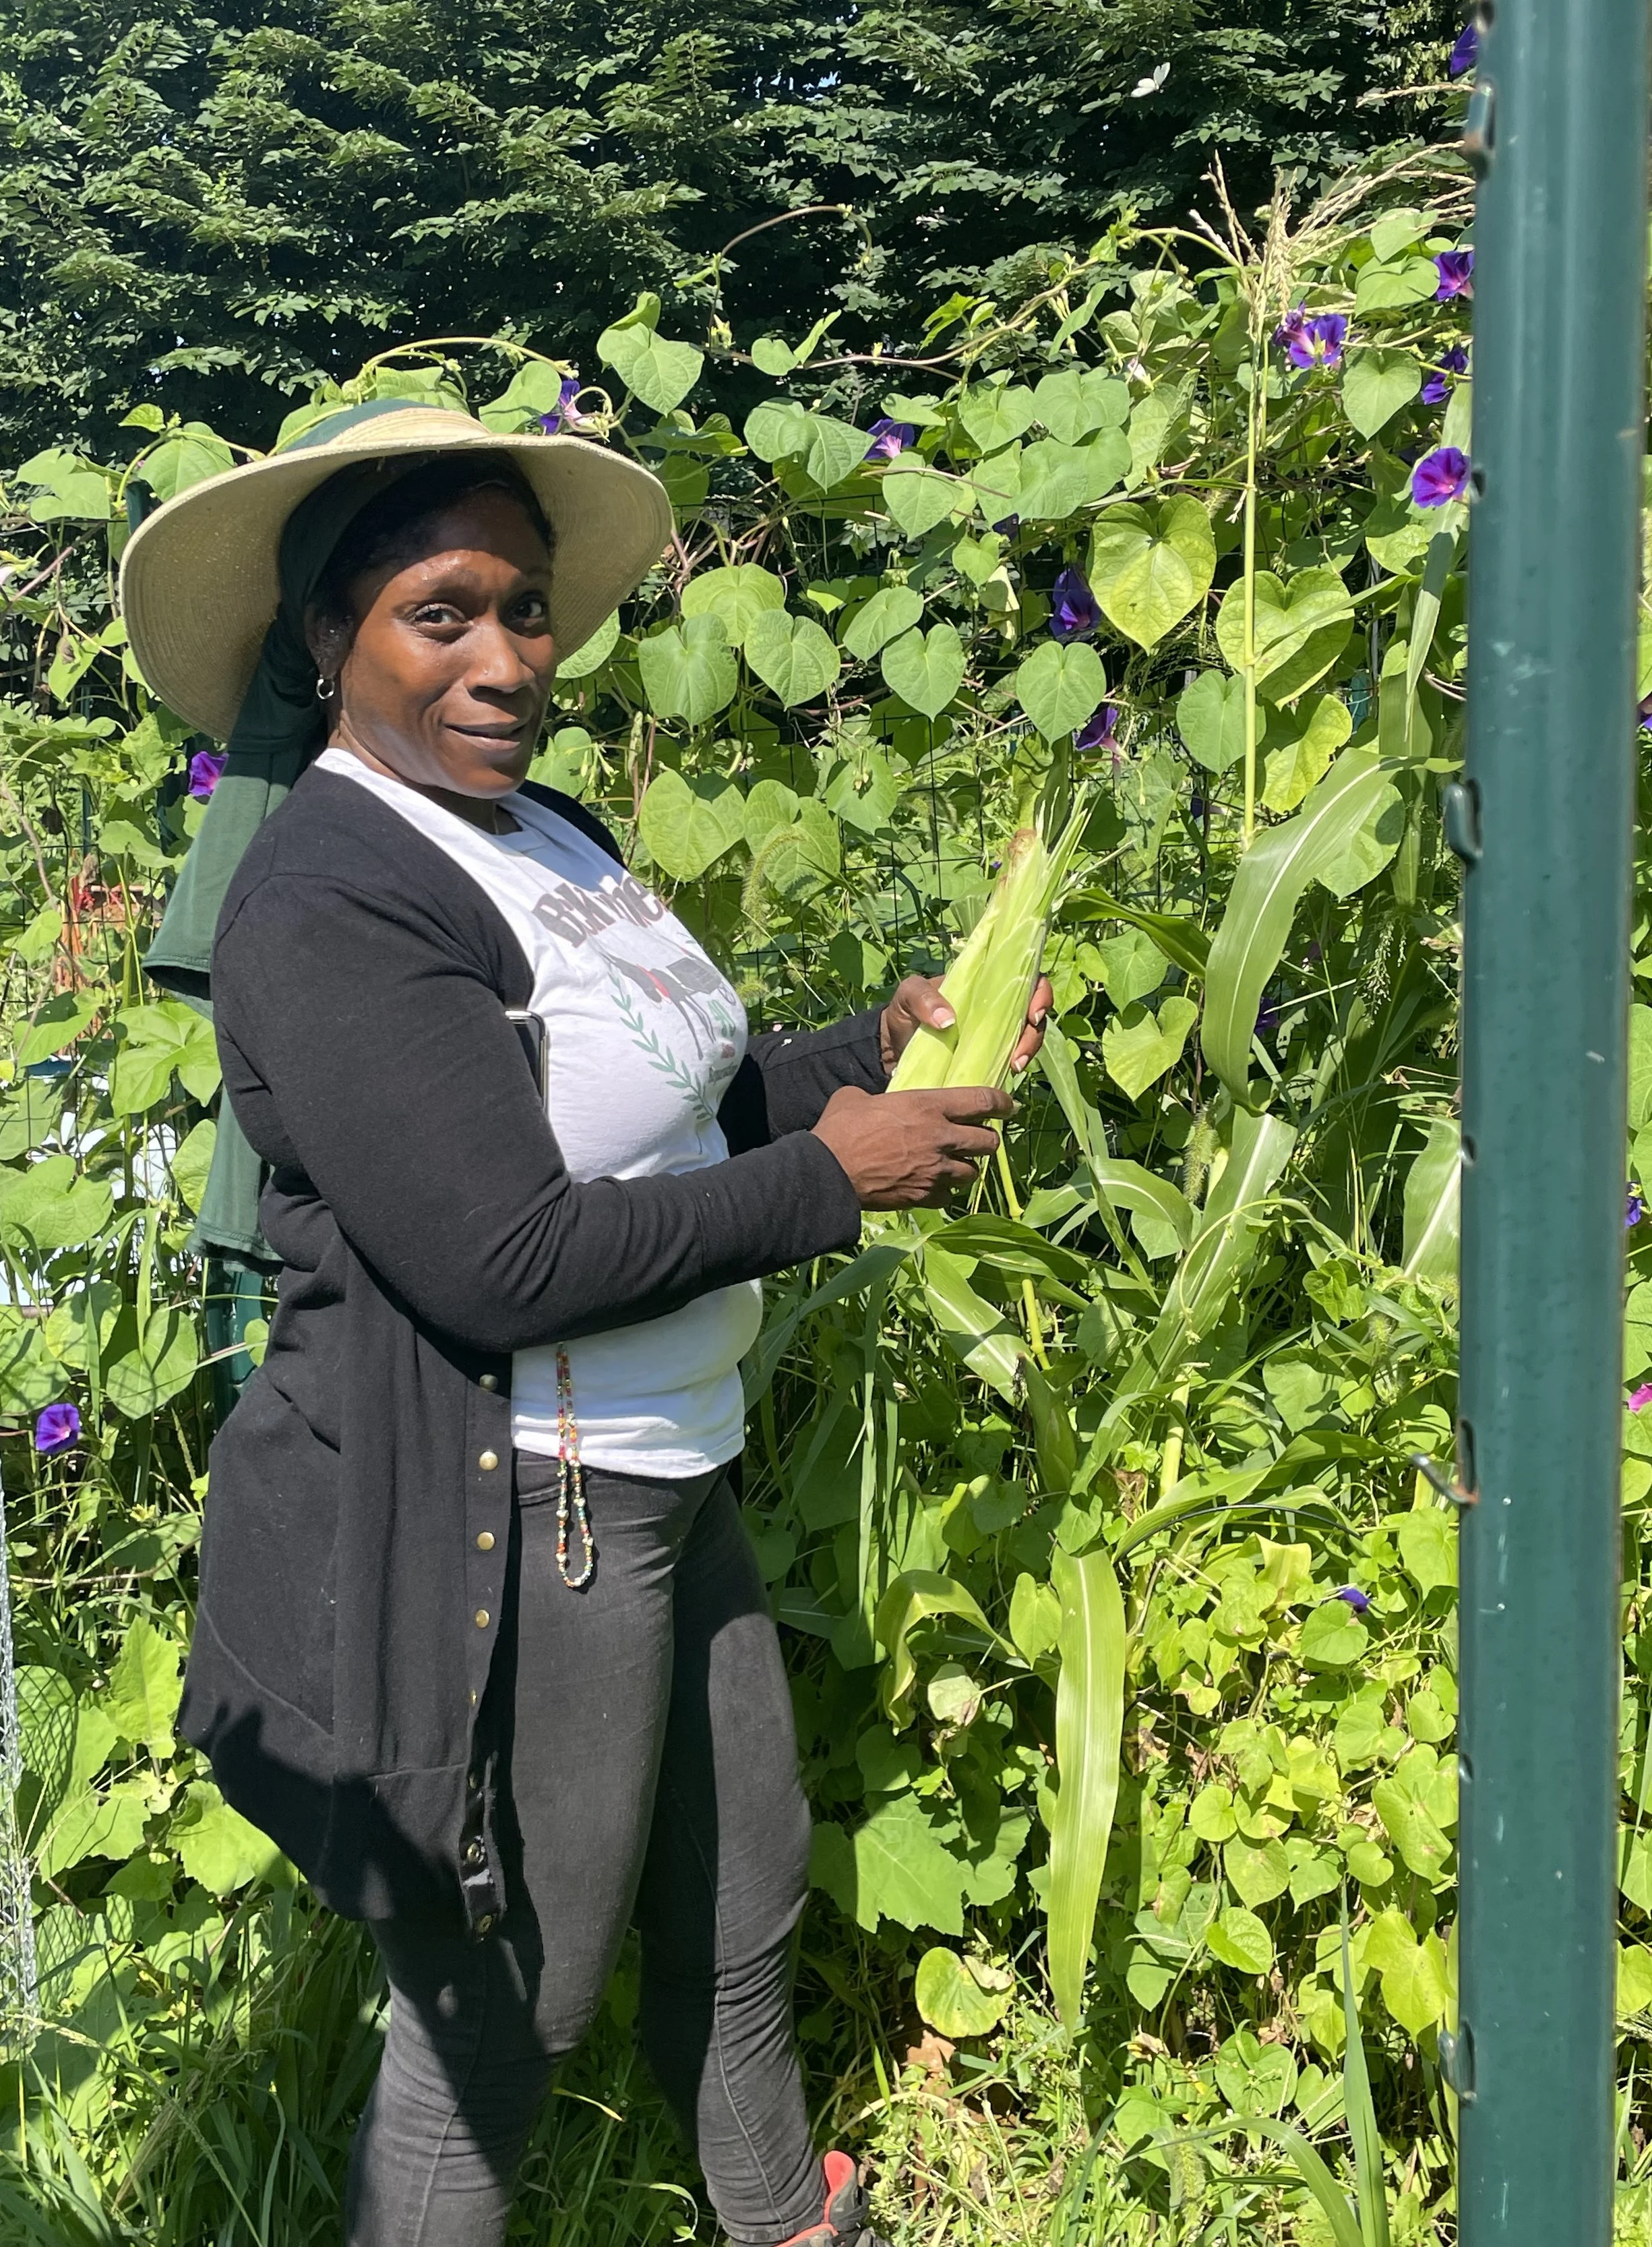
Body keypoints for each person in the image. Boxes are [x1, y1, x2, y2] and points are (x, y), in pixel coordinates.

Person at [121, 400, 1049, 2247]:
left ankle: (782, 2216)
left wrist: (862, 1062)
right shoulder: (328, 893)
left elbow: (674, 1099)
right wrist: (832, 1179)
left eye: (526, 611)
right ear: (329, 637)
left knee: (742, 1882)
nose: (502, 660)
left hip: (658, 1460)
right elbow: (500, 1256)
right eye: (441, 614)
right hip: (520, 1503)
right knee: (503, 2000)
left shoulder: (541, 830)